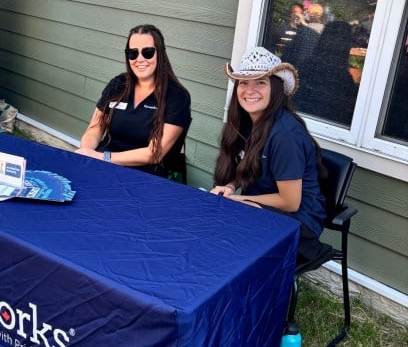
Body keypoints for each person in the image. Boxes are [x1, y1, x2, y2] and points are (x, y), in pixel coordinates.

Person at [210, 47, 328, 264]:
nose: (249, 90)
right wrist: (229, 187)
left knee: (224, 241)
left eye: (260, 82)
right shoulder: (248, 123)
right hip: (259, 211)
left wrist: (239, 200)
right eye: (243, 82)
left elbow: (290, 202)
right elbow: (246, 165)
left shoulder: (285, 135)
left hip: (297, 224)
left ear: (276, 88)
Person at [75, 24, 192, 181]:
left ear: (160, 54)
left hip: (146, 176)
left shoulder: (177, 97)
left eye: (148, 52)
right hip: (103, 165)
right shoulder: (118, 84)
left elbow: (154, 153)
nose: (140, 59)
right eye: (133, 53)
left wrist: (103, 157)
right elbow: (95, 128)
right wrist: (87, 152)